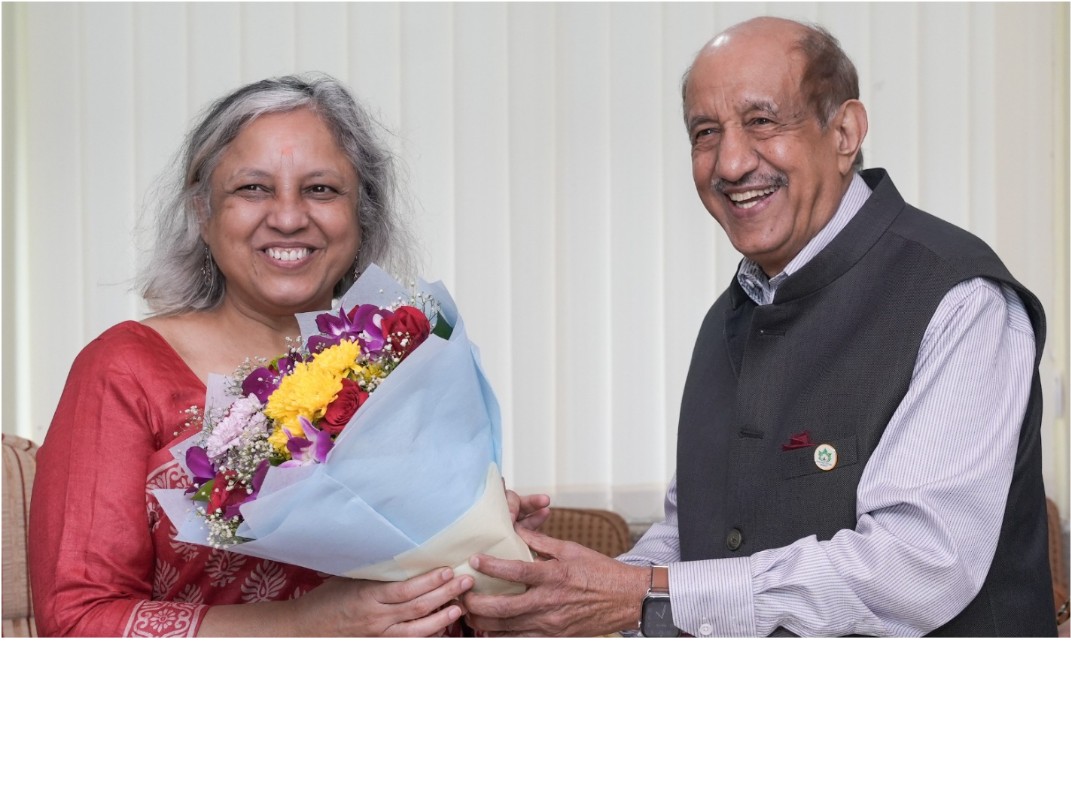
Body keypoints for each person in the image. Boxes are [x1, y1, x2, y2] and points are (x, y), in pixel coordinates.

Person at [463, 16, 1055, 637]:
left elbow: (916, 568)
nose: (731, 162)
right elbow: (693, 535)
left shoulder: (958, 297)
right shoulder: (728, 317)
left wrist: (638, 593)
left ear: (845, 131)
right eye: (705, 133)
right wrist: (550, 581)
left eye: (763, 121)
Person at [29, 73, 544, 637]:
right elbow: (76, 624)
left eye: (321, 189)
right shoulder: (125, 369)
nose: (289, 216)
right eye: (253, 188)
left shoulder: (405, 358)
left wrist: (487, 549)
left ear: (361, 214)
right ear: (202, 212)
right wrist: (306, 625)